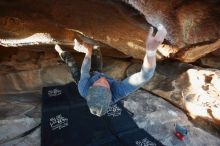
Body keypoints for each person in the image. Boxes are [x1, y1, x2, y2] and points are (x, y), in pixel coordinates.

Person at [55, 24, 167, 117]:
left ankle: (61, 52)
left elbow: (85, 70)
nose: (103, 80)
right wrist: (151, 52)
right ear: (110, 93)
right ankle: (88, 49)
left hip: (89, 76)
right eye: (106, 85)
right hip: (96, 73)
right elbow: (144, 76)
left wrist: (87, 52)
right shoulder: (117, 92)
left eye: (98, 84)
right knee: (96, 50)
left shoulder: (83, 88)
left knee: (72, 64)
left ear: (91, 87)